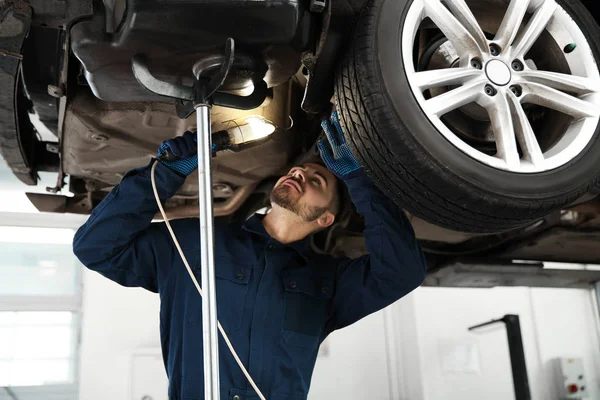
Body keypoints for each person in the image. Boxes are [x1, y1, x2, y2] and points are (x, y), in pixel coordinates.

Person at [73, 112, 427, 400]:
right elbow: (96, 247)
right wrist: (166, 172)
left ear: (325, 219)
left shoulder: (329, 283)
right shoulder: (194, 241)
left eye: (316, 182)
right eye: (296, 171)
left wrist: (359, 180)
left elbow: (402, 272)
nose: (299, 174)